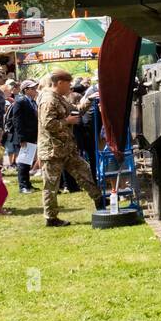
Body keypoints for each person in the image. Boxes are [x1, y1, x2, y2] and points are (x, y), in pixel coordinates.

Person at [38, 69, 103, 226]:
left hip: (66, 149)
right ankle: (51, 218)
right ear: (60, 83)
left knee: (84, 171)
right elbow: (48, 124)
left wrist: (88, 100)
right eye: (69, 83)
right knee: (51, 185)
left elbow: (75, 111)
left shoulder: (59, 98)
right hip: (52, 151)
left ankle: (100, 201)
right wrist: (66, 121)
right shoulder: (48, 100)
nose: (71, 87)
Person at [8, 79, 40, 193]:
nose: (35, 90)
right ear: (26, 90)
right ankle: (23, 186)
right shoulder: (20, 101)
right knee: (23, 161)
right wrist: (21, 138)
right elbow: (17, 120)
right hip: (24, 136)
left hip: (31, 135)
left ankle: (28, 183)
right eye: (32, 88)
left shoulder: (32, 101)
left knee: (28, 161)